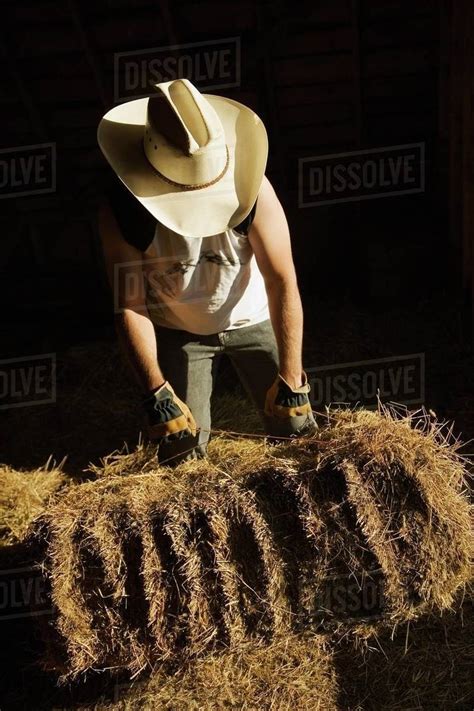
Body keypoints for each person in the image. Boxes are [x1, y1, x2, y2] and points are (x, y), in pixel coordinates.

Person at [97, 77, 317, 465]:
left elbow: (282, 279)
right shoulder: (123, 211)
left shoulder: (252, 188)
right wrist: (156, 392)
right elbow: (130, 304)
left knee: (297, 431)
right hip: (178, 328)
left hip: (251, 316)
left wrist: (292, 376)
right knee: (181, 448)